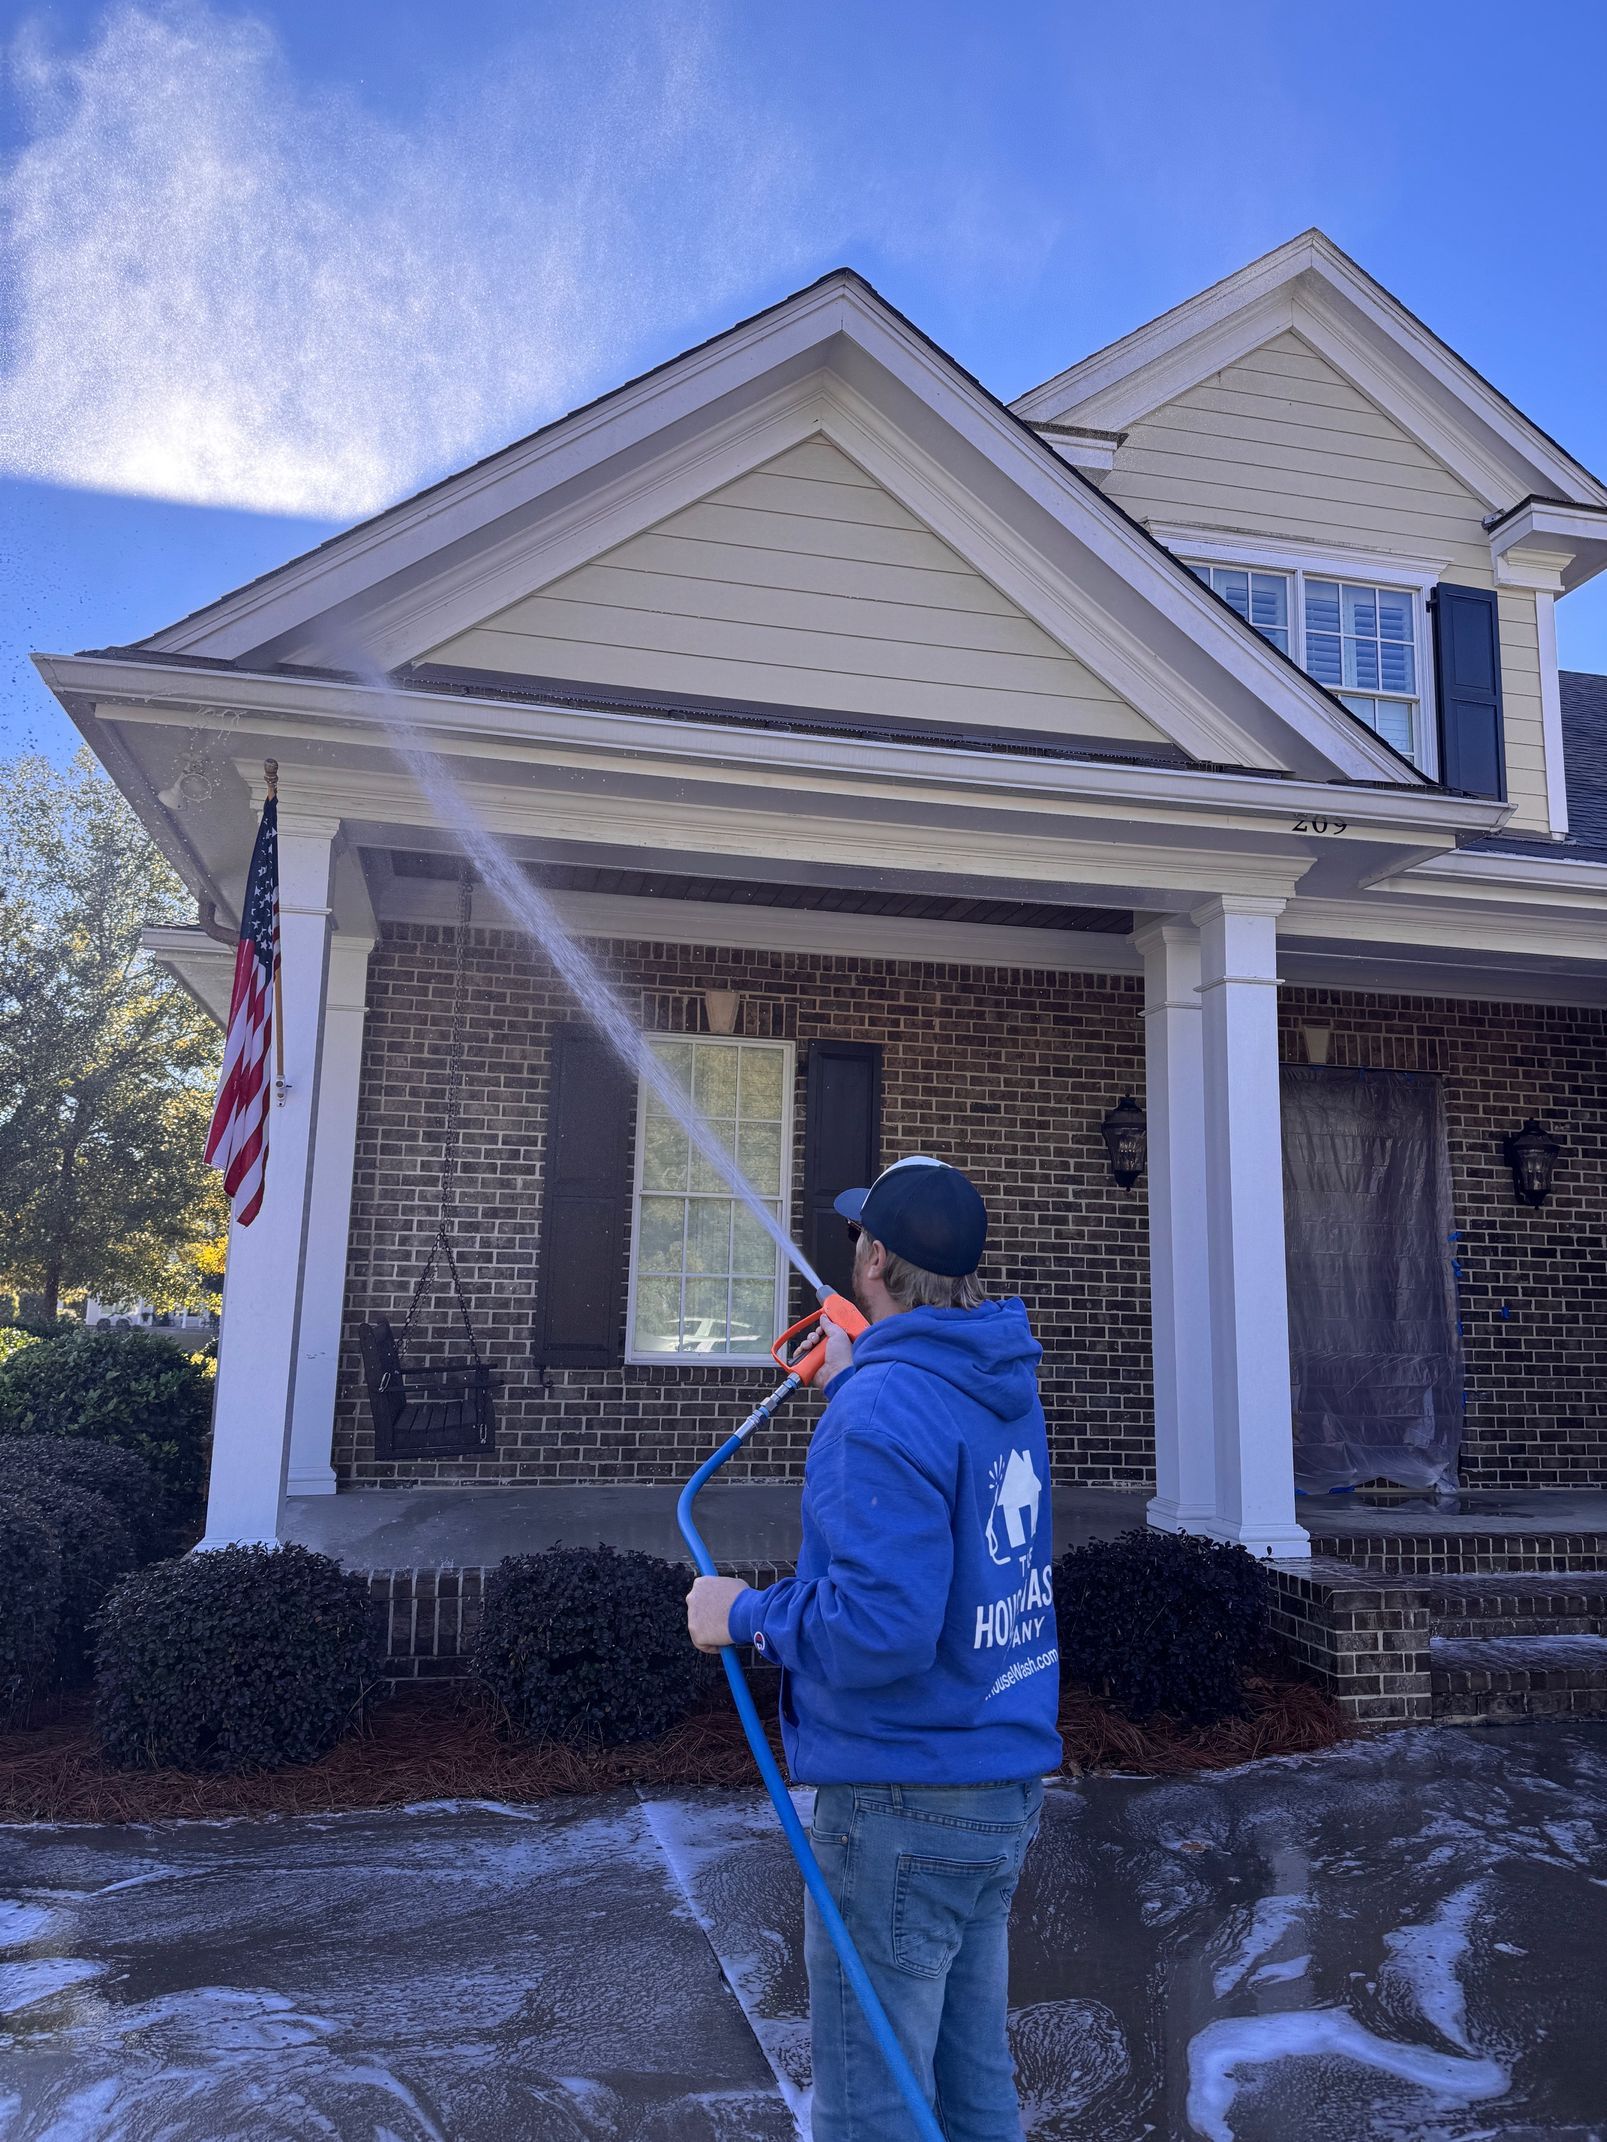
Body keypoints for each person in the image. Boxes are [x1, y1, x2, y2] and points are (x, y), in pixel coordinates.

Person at [686, 1155, 1060, 2142]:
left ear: (875, 1260)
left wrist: (744, 1614)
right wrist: (861, 1373)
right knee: (971, 2084)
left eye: (859, 1235)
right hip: (993, 1789)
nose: (851, 1246)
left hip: (899, 1804)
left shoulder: (882, 1409)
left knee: (870, 2109)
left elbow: (878, 1629)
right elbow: (927, 1453)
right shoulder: (999, 1384)